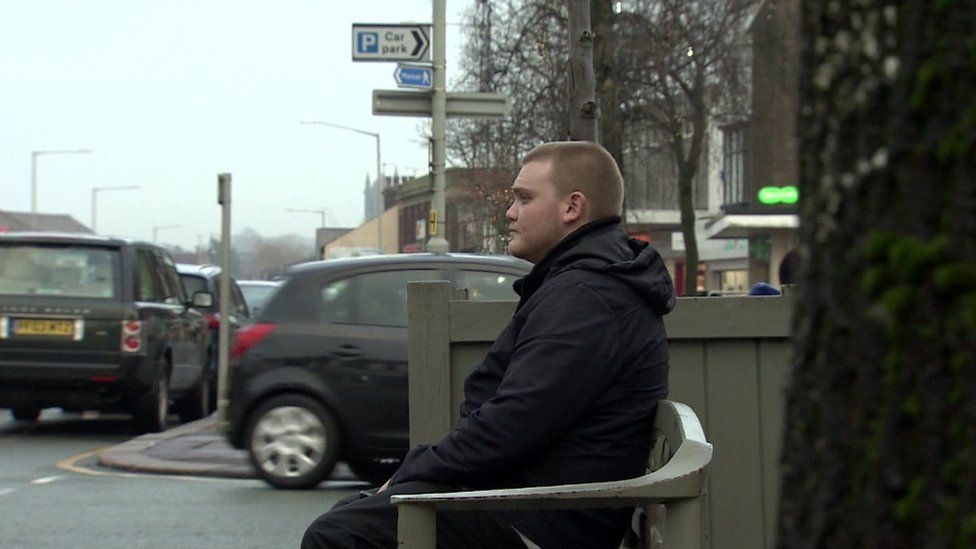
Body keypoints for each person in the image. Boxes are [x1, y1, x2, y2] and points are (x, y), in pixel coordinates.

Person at [302, 141, 676, 549]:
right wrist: (416, 474)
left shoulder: (586, 299)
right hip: (530, 504)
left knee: (336, 536)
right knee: (349, 516)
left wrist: (412, 471)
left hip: (539, 521)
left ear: (572, 208)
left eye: (523, 198)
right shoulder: (584, 286)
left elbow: (510, 427)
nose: (511, 213)